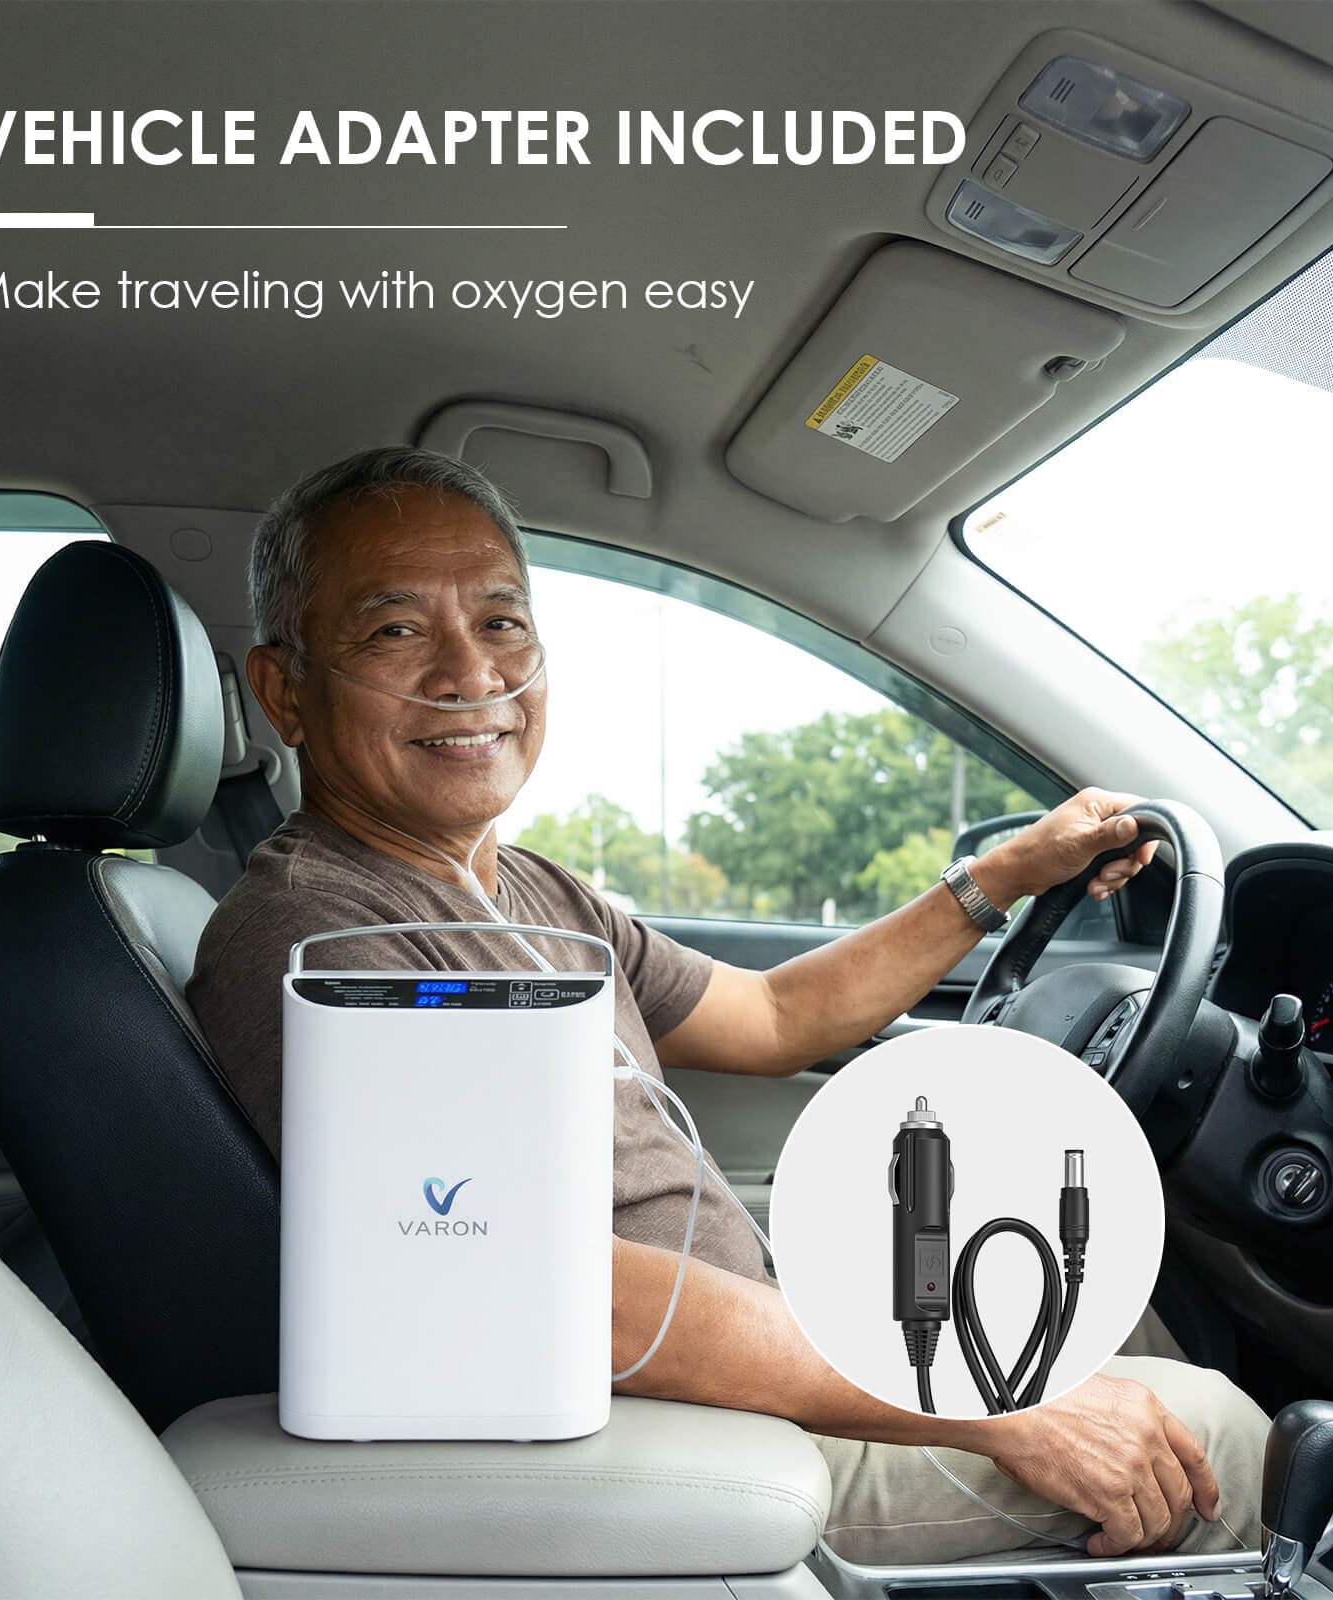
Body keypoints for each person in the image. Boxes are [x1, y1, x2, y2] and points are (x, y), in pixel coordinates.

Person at [187, 445, 1269, 1566]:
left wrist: (1003, 875)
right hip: (679, 1432)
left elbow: (774, 1016)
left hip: (742, 1357)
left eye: (502, 622)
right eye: (395, 631)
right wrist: (989, 1406)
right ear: (285, 691)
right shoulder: (320, 940)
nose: (471, 673)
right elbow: (539, 1283)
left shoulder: (531, 889)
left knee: (1098, 1282)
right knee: (1218, 1441)